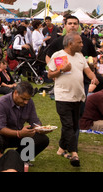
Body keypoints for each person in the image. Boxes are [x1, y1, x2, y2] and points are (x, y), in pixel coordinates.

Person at [47, 31, 99, 167]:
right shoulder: (58, 56)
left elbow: (87, 70)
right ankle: (74, 153)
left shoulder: (80, 56)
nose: (82, 45)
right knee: (68, 125)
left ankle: (60, 148)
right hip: (63, 96)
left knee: (74, 125)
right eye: (80, 42)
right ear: (70, 44)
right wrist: (62, 70)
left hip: (78, 96)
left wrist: (93, 77)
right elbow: (50, 74)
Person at [0, 81, 50, 163]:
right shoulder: (1, 102)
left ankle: (20, 160)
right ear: (15, 93)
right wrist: (19, 133)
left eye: (28, 99)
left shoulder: (29, 102)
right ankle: (1, 161)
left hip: (19, 134)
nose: (26, 102)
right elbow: (0, 128)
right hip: (1, 136)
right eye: (24, 99)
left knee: (42, 139)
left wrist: (40, 129)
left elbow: (34, 121)